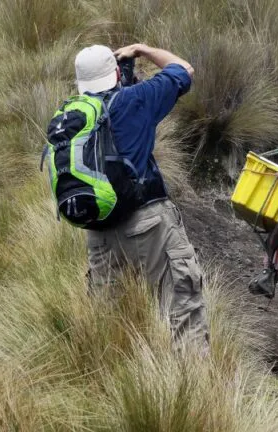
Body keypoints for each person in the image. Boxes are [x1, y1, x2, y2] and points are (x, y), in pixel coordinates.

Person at [72, 44, 209, 352]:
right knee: (183, 311)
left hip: (98, 231)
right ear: (117, 73)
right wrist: (142, 50)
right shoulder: (137, 100)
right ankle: (197, 395)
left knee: (110, 328)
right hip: (148, 222)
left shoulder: (70, 117)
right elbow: (184, 69)